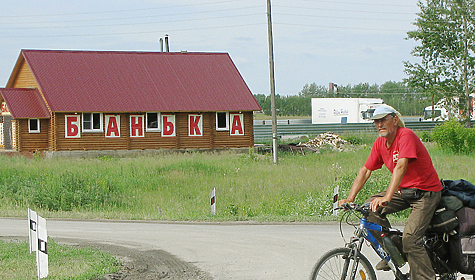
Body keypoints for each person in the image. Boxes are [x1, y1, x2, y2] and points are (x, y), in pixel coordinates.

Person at [339, 105, 442, 280]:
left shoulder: (405, 136)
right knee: (369, 209)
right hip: (405, 191)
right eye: (376, 121)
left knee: (411, 238)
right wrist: (350, 198)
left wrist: (386, 197)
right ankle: (394, 253)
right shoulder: (380, 143)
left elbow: (401, 167)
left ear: (394, 120)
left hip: (425, 192)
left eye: (383, 120)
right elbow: (365, 171)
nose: (379, 124)